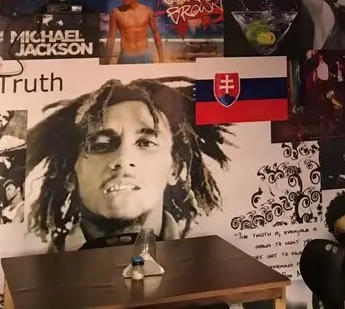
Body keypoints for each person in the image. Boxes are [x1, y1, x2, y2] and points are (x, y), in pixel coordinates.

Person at [25, 78, 230, 251]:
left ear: (176, 169)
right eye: (101, 145)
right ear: (69, 175)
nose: (123, 159)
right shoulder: (40, 274)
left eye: (146, 143)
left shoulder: (207, 268)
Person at [104, 0, 165, 64]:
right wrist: (107, 62)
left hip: (145, 56)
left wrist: (161, 58)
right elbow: (111, 37)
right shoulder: (116, 12)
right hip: (126, 57)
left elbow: (155, 33)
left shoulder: (147, 11)